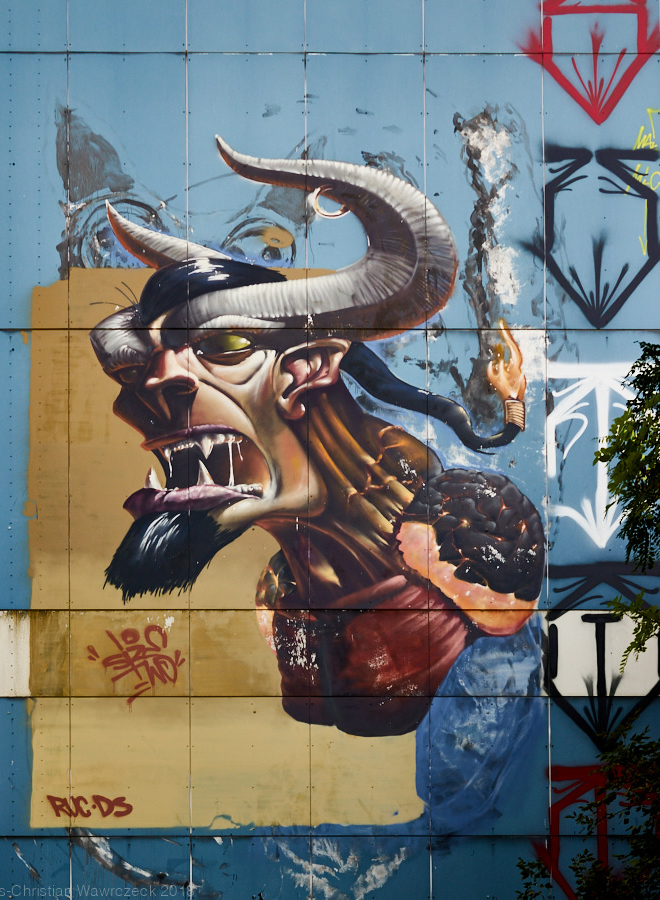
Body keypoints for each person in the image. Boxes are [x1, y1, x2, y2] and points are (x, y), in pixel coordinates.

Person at [90, 138, 544, 737]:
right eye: (141, 364)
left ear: (306, 370)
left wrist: (513, 404)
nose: (144, 392)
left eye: (223, 345)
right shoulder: (280, 597)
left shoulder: (445, 532)